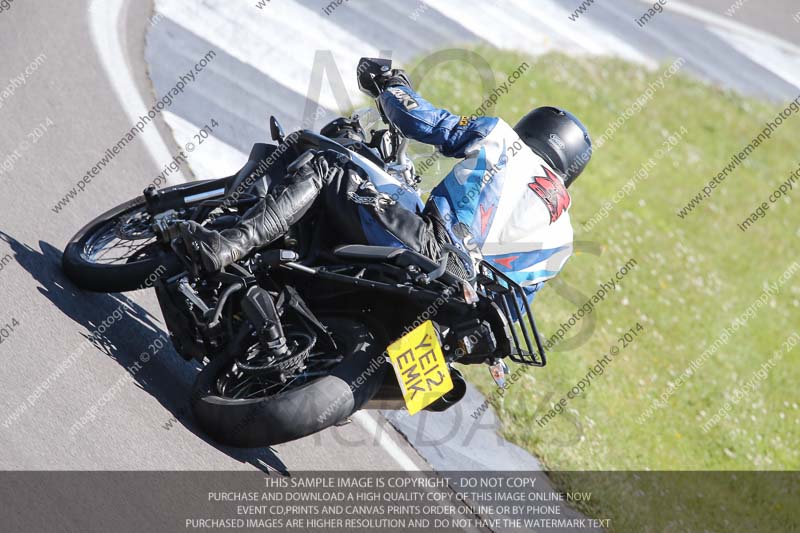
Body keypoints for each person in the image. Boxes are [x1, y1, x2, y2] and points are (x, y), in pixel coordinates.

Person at [178, 65, 592, 296]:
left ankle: (228, 244)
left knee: (326, 166)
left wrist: (391, 84)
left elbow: (425, 122)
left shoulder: (504, 140)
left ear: (533, 129)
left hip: (431, 250)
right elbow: (518, 303)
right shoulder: (564, 236)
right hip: (469, 306)